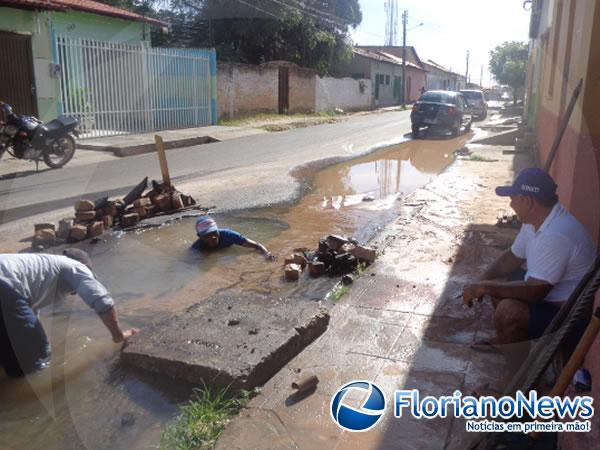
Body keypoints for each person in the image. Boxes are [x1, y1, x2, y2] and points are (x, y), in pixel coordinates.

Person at [462, 168, 596, 387]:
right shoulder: (536, 220)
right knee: (499, 283)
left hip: (568, 316)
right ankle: (509, 342)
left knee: (508, 312)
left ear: (527, 201)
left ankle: (517, 381)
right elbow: (512, 258)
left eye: (513, 198)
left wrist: (483, 287)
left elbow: (535, 291)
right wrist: (482, 280)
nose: (510, 204)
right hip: (551, 297)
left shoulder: (556, 234)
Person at [0, 248, 138, 378]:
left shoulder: (43, 268)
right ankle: (25, 396)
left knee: (11, 350)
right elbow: (102, 301)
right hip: (4, 286)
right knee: (37, 355)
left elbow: (25, 317)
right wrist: (118, 335)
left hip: (6, 284)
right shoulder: (76, 267)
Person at [191, 215, 274, 260]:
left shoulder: (228, 235)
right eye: (207, 235)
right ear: (200, 237)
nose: (213, 237)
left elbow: (257, 245)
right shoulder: (197, 247)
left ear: (218, 230)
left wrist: (266, 254)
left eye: (214, 233)